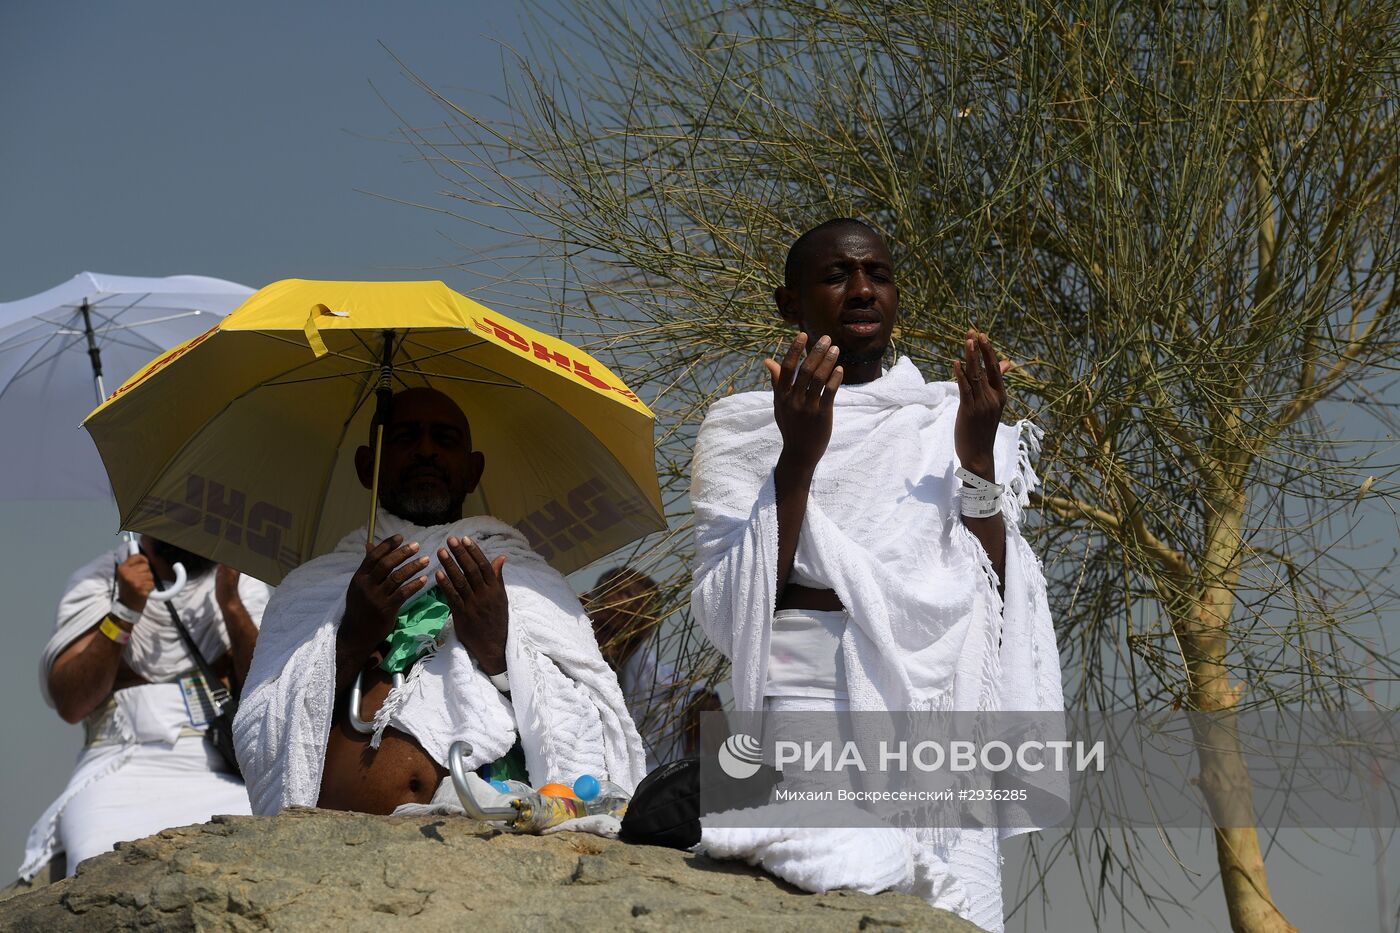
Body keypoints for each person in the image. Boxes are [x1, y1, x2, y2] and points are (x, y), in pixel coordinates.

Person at [689, 219, 1064, 932]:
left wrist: (978, 457)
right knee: (823, 893)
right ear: (788, 302)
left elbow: (999, 583)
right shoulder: (741, 428)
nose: (862, 289)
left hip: (937, 701)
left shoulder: (948, 416)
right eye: (836, 276)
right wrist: (796, 460)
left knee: (952, 908)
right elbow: (722, 609)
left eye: (877, 274)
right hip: (802, 692)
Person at [234, 387, 647, 816]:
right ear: (366, 465)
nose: (425, 451)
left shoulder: (528, 582)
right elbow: (262, 727)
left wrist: (498, 647)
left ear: (472, 471)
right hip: (335, 841)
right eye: (405, 437)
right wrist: (353, 635)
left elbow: (586, 715)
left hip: (486, 844)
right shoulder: (314, 585)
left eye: (445, 440)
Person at [19, 536, 268, 880]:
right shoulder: (100, 580)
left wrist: (231, 604)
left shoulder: (239, 579)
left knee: (256, 858)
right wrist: (124, 611)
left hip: (216, 768)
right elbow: (71, 703)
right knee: (101, 870)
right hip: (117, 769)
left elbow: (268, 689)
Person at [584, 567, 722, 770]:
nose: (612, 646)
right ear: (586, 605)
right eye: (604, 628)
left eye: (628, 638)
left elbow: (731, 777)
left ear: (648, 634)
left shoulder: (689, 700)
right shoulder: (546, 657)